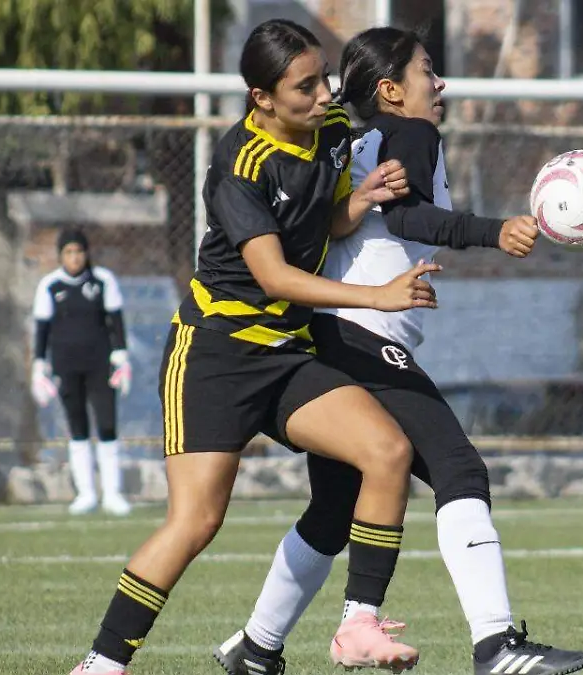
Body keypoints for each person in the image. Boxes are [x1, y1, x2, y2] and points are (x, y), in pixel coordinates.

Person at [212, 27, 583, 675]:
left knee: (334, 509)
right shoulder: (411, 133)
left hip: (327, 334)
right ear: (391, 90)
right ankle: (495, 644)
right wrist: (495, 231)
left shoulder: (353, 140)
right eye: (427, 72)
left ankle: (257, 644)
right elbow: (411, 218)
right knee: (460, 470)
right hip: (362, 334)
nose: (439, 84)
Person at [69, 18, 443, 675]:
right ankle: (102, 663)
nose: (323, 94)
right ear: (261, 98)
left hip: (285, 353)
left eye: (323, 77)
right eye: (304, 86)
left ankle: (357, 624)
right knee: (196, 523)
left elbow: (315, 221)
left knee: (386, 451)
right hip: (213, 356)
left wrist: (356, 204)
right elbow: (273, 274)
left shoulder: (329, 134)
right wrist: (378, 296)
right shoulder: (238, 164)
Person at [31, 228, 133, 517]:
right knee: (77, 429)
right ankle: (86, 493)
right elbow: (42, 330)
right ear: (61, 255)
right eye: (68, 252)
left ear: (87, 253)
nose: (74, 258)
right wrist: (39, 366)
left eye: (79, 251)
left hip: (100, 365)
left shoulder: (103, 281)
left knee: (107, 426)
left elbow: (116, 323)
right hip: (66, 366)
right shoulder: (50, 285)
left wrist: (121, 357)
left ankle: (113, 493)